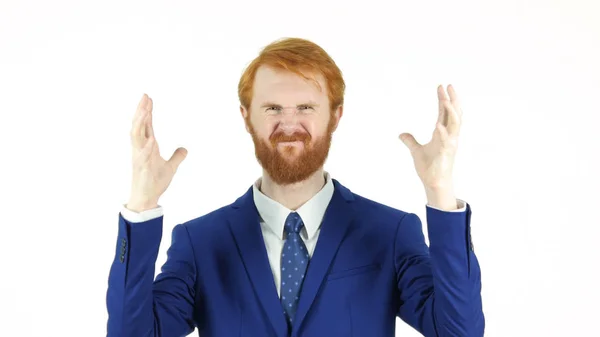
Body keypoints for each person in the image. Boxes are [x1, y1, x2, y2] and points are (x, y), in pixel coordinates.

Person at [106, 37, 485, 337]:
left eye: (306, 107)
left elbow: (459, 332)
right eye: (272, 108)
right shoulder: (201, 242)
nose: (289, 124)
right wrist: (143, 203)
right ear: (246, 117)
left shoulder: (389, 232)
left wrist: (439, 192)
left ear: (336, 115)